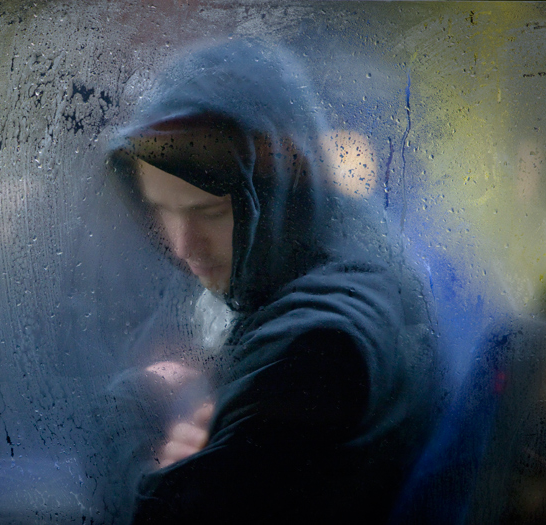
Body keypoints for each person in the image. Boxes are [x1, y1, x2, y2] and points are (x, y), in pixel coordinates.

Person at [103, 40, 444, 523]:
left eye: (208, 212)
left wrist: (132, 407)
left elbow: (167, 516)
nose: (182, 247)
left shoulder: (319, 345)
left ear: (279, 186)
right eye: (161, 209)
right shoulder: (300, 244)